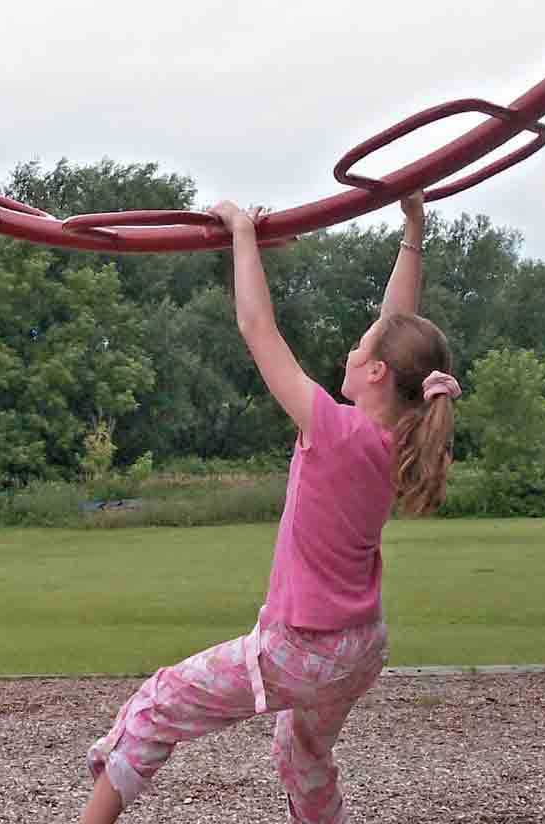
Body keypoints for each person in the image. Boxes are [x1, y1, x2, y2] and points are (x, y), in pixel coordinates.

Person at [78, 191, 459, 824]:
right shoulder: (399, 437)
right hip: (360, 649)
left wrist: (241, 234)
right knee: (301, 753)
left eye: (361, 348)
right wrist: (414, 228)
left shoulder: (336, 431)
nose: (350, 352)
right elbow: (400, 323)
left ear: (378, 376)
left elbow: (258, 330)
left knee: (157, 705)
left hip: (301, 648)